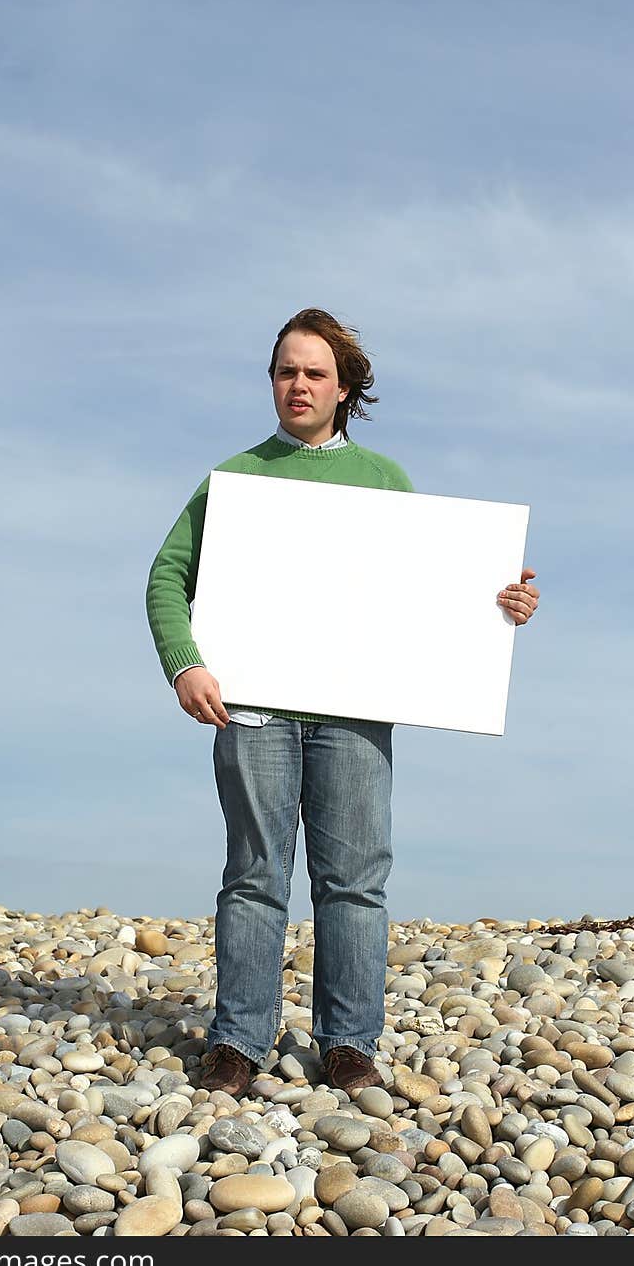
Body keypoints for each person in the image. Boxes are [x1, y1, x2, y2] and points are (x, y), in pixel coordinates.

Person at [145, 308, 539, 1098]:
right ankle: (239, 1041)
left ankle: (349, 1043)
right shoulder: (236, 476)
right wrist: (186, 664)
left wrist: (501, 604)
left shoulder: (385, 481)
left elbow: (428, 595)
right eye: (285, 371)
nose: (298, 384)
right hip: (252, 707)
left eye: (314, 372)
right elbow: (165, 580)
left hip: (354, 713)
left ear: (344, 387)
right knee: (255, 875)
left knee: (354, 880)